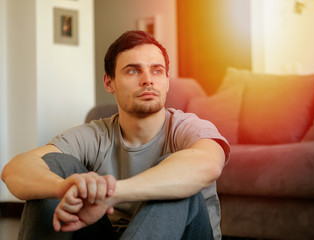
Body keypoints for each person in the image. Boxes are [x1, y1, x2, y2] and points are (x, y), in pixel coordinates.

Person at [1, 30, 230, 240]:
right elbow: (15, 169)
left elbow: (209, 164)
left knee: (176, 181)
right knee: (54, 165)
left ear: (167, 81)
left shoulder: (188, 127)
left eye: (157, 70)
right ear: (109, 82)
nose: (148, 79)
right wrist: (62, 187)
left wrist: (111, 195)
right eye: (133, 70)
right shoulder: (96, 134)